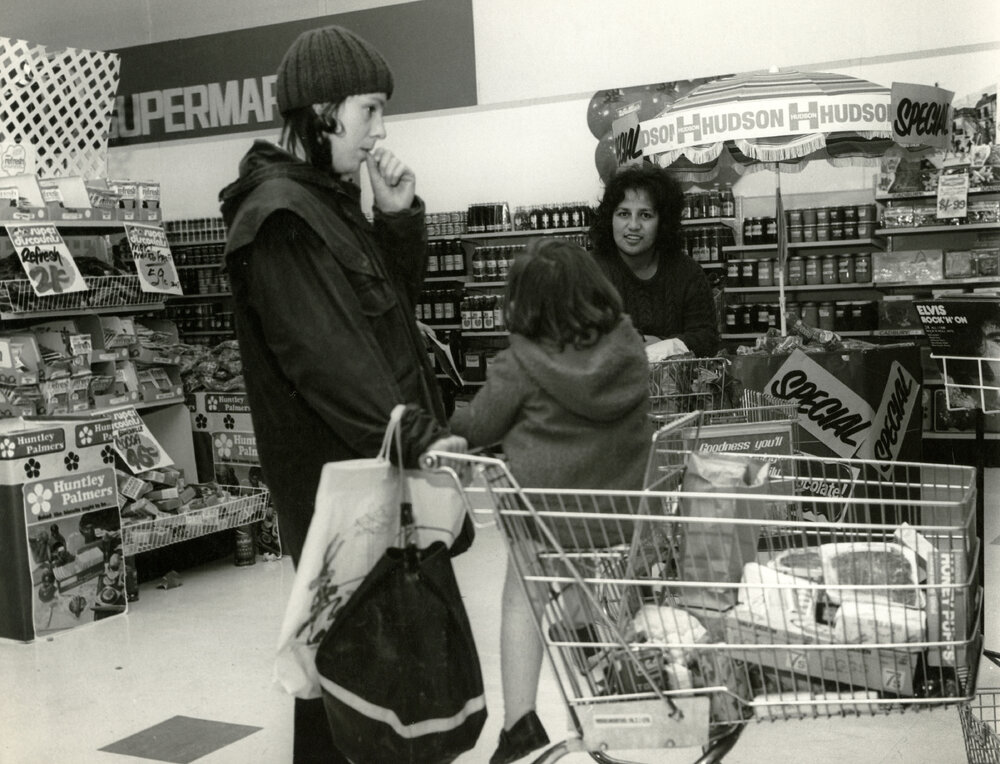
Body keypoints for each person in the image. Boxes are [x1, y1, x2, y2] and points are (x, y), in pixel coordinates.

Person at [218, 25, 465, 764]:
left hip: (370, 478)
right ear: (321, 111)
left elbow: (388, 319)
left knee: (359, 683)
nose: (381, 130)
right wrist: (415, 431)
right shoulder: (281, 219)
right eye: (370, 110)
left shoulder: (326, 202)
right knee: (355, 675)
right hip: (340, 490)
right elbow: (329, 359)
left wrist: (396, 218)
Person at [449, 237, 653, 764]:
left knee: (524, 589)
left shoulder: (521, 363)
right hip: (620, 519)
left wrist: (441, 424)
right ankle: (594, 696)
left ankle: (520, 724)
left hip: (545, 522)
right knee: (588, 581)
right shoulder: (629, 345)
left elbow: (480, 426)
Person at [590, 163, 720, 357]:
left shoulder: (688, 272)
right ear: (610, 218)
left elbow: (708, 339)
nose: (633, 225)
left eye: (645, 215)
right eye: (623, 213)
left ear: (663, 222)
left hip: (677, 385)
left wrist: (666, 345)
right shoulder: (587, 272)